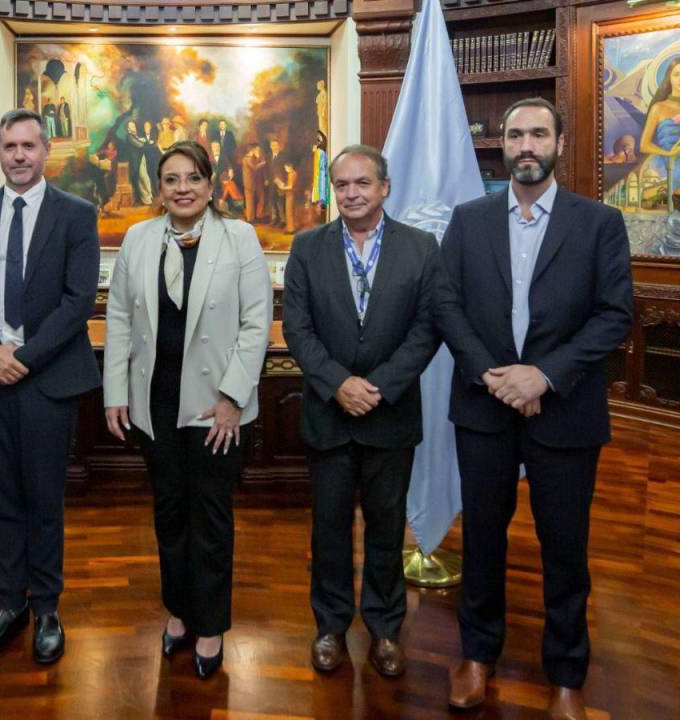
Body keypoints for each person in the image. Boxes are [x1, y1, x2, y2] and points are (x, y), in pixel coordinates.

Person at [434, 98, 633, 720]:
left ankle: (567, 673)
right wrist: (492, 376)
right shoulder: (468, 220)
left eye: (538, 134)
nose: (525, 144)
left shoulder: (599, 221)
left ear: (559, 142)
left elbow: (614, 317)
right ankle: (476, 654)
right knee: (483, 540)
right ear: (501, 144)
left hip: (565, 411)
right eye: (515, 134)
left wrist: (542, 376)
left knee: (565, 548)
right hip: (484, 405)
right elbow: (445, 303)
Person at [103, 140, 271, 679]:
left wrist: (232, 398)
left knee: (212, 518)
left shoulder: (239, 237)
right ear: (159, 187)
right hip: (155, 405)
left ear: (210, 183)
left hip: (216, 408)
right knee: (170, 514)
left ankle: (211, 624)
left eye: (193, 177)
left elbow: (254, 325)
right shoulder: (139, 238)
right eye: (171, 179)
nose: (182, 188)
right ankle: (178, 611)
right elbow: (120, 321)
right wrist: (115, 392)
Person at [0, 108, 101, 666]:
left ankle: (48, 608)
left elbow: (79, 300)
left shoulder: (77, 214)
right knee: (3, 497)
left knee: (44, 500)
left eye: (29, 146)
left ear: (47, 150)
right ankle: (10, 604)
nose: (19, 156)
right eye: (9, 146)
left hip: (47, 380)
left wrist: (23, 358)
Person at [282, 145, 440, 677]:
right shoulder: (306, 248)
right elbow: (296, 329)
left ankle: (385, 628)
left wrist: (377, 386)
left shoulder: (421, 248)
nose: (351, 193)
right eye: (342, 184)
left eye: (362, 184)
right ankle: (329, 626)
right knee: (328, 528)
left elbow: (427, 329)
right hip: (328, 415)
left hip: (389, 415)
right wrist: (337, 384)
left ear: (384, 188)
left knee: (386, 526)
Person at [639, 58, 680, 156]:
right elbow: (644, 145)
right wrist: (668, 153)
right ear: (669, 78)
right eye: (676, 75)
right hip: (667, 163)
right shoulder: (658, 108)